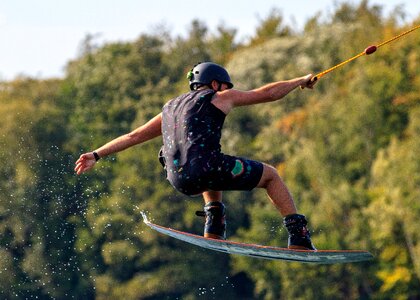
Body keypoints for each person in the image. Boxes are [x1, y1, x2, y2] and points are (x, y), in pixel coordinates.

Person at [75, 62, 317, 250]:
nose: (229, 91)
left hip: (179, 180)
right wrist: (299, 81)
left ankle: (214, 223)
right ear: (215, 84)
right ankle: (299, 236)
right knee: (271, 176)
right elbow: (269, 93)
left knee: (206, 158)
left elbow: (134, 136)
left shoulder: (169, 109)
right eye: (226, 86)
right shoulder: (219, 97)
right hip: (206, 169)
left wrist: (97, 154)